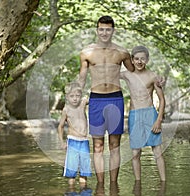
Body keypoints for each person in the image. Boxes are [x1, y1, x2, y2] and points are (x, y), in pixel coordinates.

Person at [78, 15, 135, 183]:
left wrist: (155, 78)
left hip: (115, 99)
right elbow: (82, 77)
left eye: (107, 29)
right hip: (95, 100)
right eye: (101, 29)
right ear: (97, 30)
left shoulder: (122, 52)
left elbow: (135, 71)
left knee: (114, 145)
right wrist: (75, 99)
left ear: (113, 30)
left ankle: (114, 185)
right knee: (97, 146)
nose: (104, 32)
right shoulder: (86, 53)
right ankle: (101, 187)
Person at [120, 45, 166, 182]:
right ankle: (138, 186)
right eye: (137, 59)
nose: (140, 62)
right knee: (135, 153)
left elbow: (162, 100)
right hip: (134, 115)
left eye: (143, 59)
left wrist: (158, 120)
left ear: (147, 60)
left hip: (150, 114)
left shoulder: (152, 76)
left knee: (157, 152)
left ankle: (164, 184)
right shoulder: (127, 75)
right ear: (132, 60)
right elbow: (109, 70)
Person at [57, 81, 92, 185]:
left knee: (84, 171)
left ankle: (84, 192)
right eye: (72, 96)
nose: (75, 98)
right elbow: (60, 126)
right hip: (72, 141)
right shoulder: (66, 110)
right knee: (71, 172)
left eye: (77, 95)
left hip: (84, 141)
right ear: (67, 97)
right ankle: (71, 193)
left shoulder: (82, 103)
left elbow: (93, 97)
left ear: (81, 95)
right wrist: (62, 142)